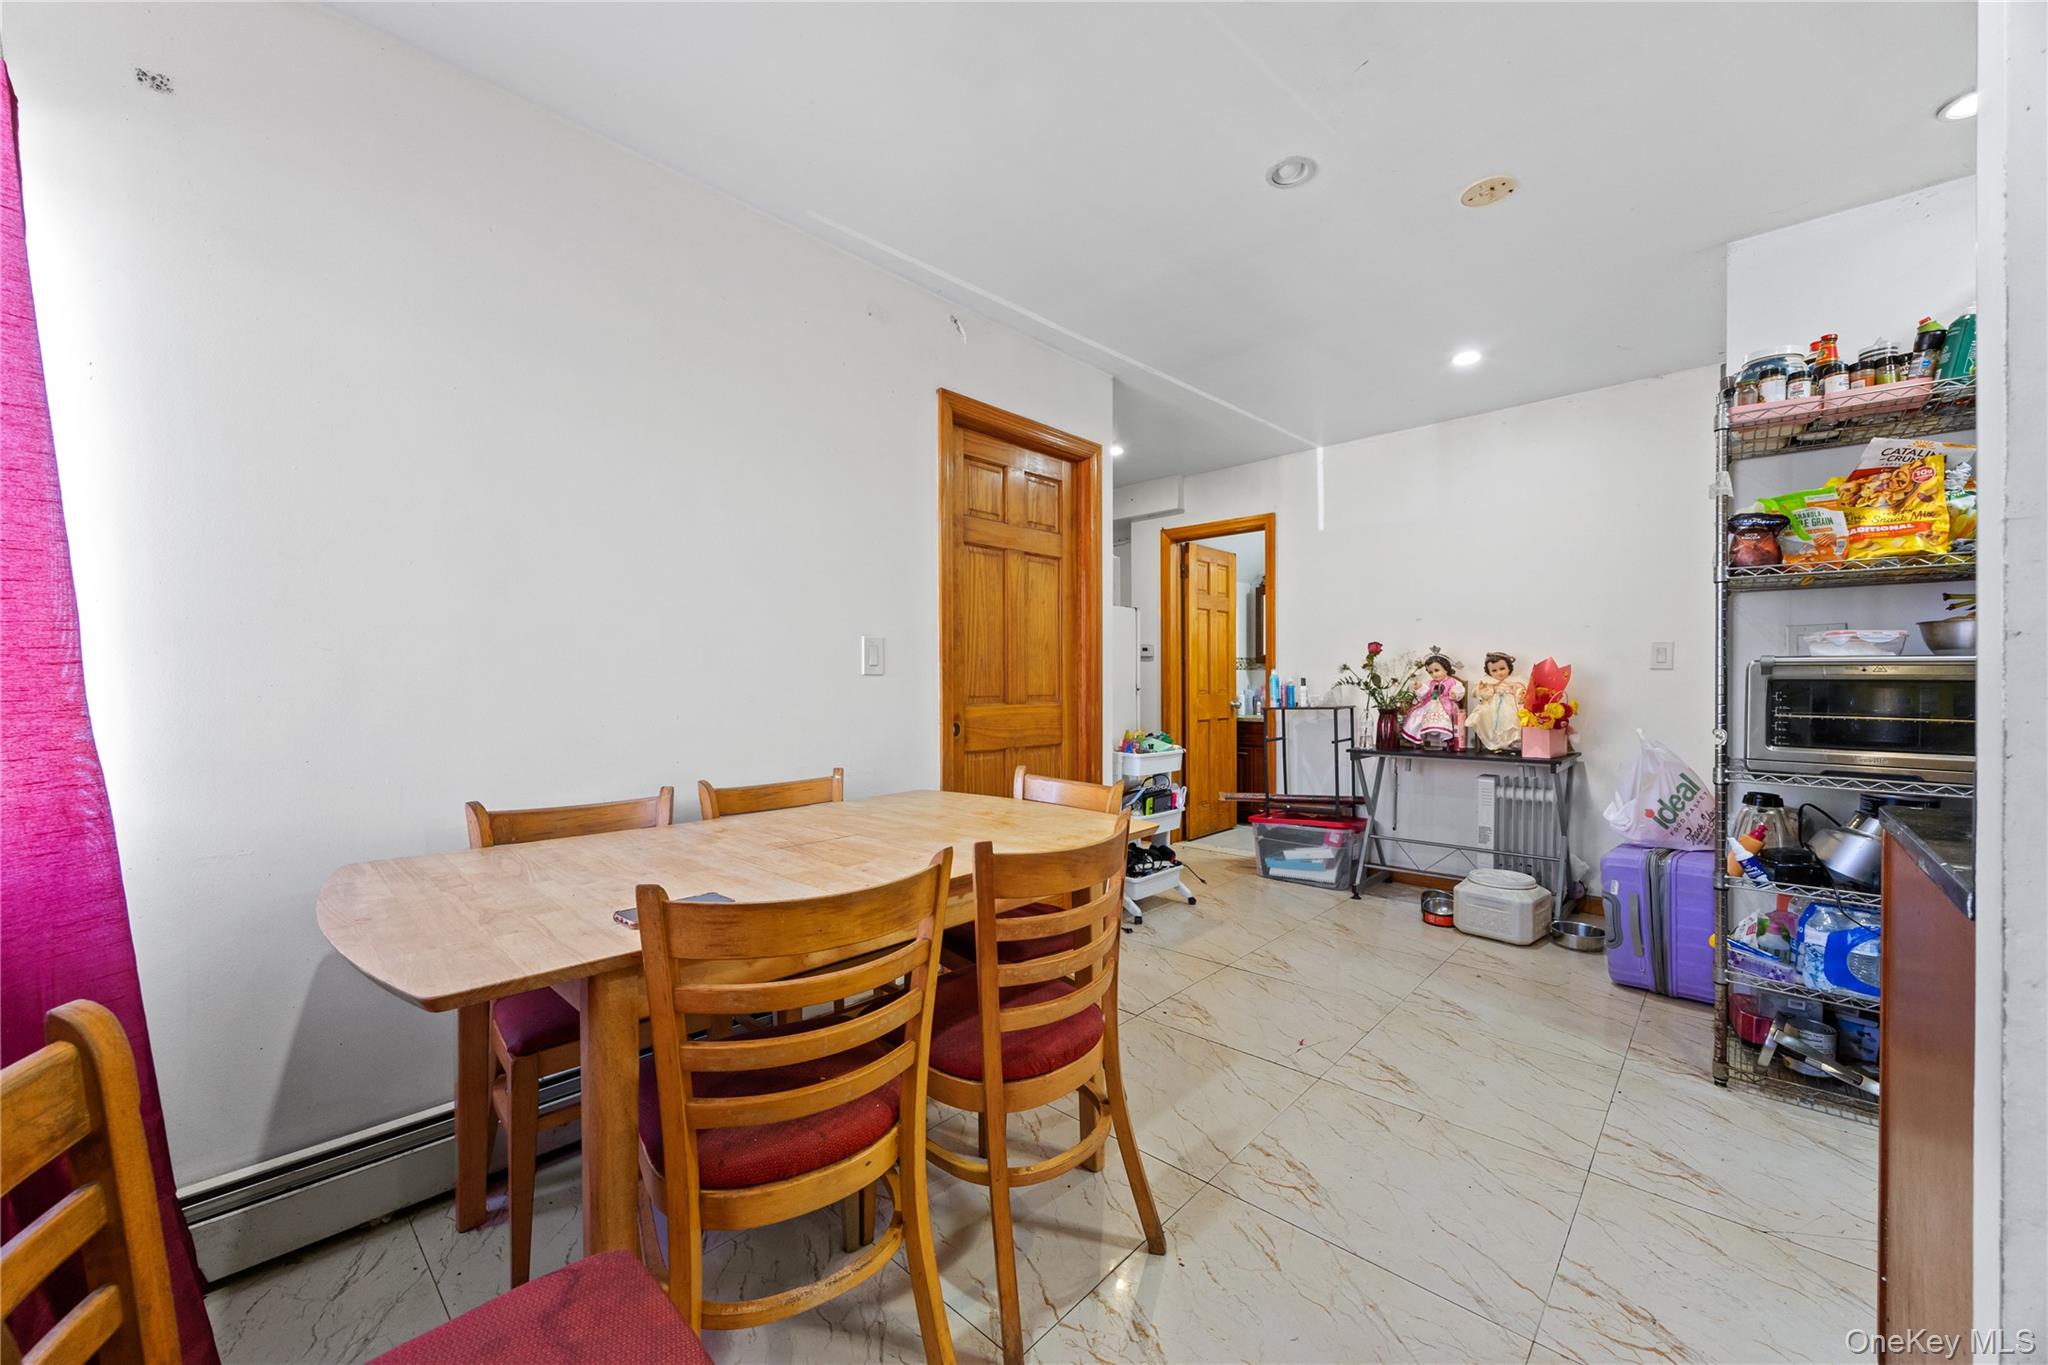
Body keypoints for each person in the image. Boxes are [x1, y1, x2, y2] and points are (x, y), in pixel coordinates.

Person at [1400, 652, 1466, 749]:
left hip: (1446, 703)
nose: (1434, 674)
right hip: (1430, 702)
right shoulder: (1430, 683)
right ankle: (1419, 738)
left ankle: (1445, 738)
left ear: (1446, 669)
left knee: (1441, 715)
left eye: (1436, 670)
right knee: (1418, 714)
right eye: (1430, 672)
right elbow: (1425, 693)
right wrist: (1419, 687)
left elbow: (1459, 689)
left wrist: (1454, 694)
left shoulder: (1452, 681)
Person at [1465, 651, 1526, 752]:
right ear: (1489, 672)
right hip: (1493, 706)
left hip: (1510, 705)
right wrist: (1482, 689)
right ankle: (1496, 742)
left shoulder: (1515, 682)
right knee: (1487, 717)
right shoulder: (1488, 682)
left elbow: (1521, 694)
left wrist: (1520, 693)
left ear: (1509, 668)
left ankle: (1511, 741)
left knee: (1511, 717)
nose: (1499, 673)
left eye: (1502, 668)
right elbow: (1482, 694)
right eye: (1494, 670)